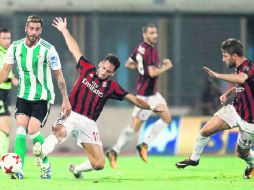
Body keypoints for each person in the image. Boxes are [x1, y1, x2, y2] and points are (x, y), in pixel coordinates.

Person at [32, 17, 166, 179]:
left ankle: (76, 170)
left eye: (108, 71)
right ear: (100, 63)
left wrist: (151, 107)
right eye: (103, 68)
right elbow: (75, 49)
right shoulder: (87, 68)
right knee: (60, 131)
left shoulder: (112, 87)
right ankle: (42, 152)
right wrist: (64, 30)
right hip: (72, 114)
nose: (103, 72)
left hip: (89, 123)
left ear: (113, 73)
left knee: (99, 164)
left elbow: (134, 99)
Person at [0, 15, 71, 179]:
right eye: (31, 28)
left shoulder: (48, 49)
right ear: (26, 28)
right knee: (20, 129)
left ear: (41, 30)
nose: (33, 32)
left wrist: (65, 99)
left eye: (37, 29)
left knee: (32, 130)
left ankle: (45, 164)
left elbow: (59, 77)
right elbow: (4, 72)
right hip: (23, 95)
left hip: (42, 97)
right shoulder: (15, 47)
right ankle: (18, 170)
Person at [176, 38, 254, 179]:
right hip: (235, 109)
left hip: (250, 119)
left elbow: (242, 79)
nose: (223, 59)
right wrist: (227, 93)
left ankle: (252, 165)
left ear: (234, 56)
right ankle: (194, 158)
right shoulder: (238, 68)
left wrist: (217, 75)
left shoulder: (250, 66)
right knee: (206, 130)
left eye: (225, 56)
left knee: (241, 153)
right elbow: (242, 85)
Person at [106, 23, 173, 168]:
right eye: (151, 33)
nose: (154, 35)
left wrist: (140, 69)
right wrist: (165, 67)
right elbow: (152, 73)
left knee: (167, 118)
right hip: (145, 97)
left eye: (155, 32)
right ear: (145, 34)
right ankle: (114, 150)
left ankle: (144, 144)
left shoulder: (140, 48)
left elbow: (128, 64)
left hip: (153, 94)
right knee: (133, 128)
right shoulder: (150, 51)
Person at [0, 28, 19, 159]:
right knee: (5, 129)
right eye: (4, 38)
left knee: (6, 130)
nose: (7, 41)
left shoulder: (8, 53)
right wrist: (11, 79)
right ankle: (2, 159)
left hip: (6, 93)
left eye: (8, 38)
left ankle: (3, 158)